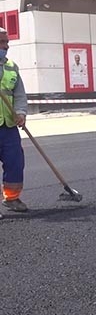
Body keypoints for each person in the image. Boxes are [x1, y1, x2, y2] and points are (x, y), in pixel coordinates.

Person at [0, 27, 29, 213]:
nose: (6, 46)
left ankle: (12, 198)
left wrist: (21, 113)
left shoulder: (11, 66)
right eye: (1, 42)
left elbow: (19, 94)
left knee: (15, 162)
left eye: (7, 42)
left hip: (8, 125)